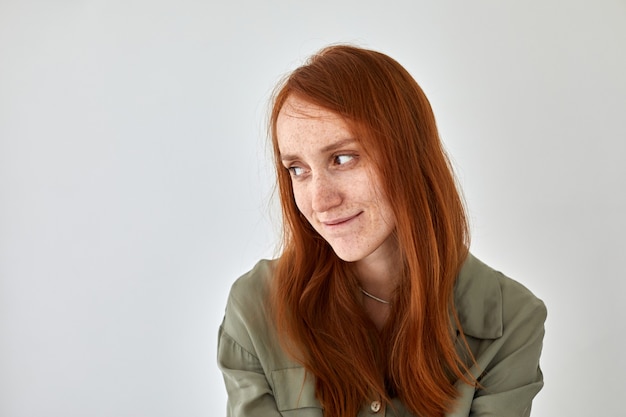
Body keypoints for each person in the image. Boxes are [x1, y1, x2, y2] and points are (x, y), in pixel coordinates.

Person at [217, 45, 546, 417]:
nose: (320, 200)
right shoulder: (255, 305)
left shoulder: (511, 320)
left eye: (342, 158)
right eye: (297, 169)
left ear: (408, 154)